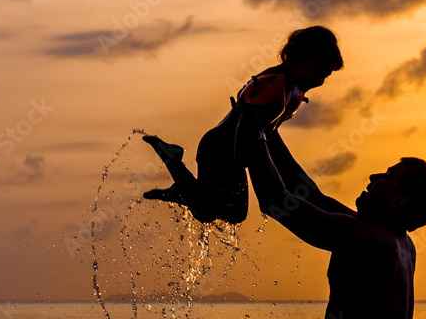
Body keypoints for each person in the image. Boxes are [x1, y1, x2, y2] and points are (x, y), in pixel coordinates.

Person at [246, 128, 426, 319]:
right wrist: (267, 129)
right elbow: (310, 195)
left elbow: (275, 201)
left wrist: (252, 134)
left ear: (398, 200)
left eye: (387, 176)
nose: (373, 178)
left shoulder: (370, 241)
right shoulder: (395, 241)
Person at [142, 26, 343, 224]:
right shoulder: (274, 87)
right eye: (316, 71)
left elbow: (267, 133)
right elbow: (244, 126)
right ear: (295, 57)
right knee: (206, 211)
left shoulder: (291, 91)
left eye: (325, 76)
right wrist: (236, 168)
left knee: (235, 213)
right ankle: (173, 161)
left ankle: (184, 190)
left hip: (234, 152)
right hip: (218, 148)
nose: (319, 81)